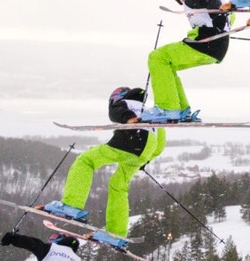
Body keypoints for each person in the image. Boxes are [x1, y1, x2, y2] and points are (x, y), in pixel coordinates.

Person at [42, 86, 166, 249]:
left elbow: (115, 112)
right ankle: (116, 233)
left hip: (131, 140)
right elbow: (160, 144)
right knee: (118, 185)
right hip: (147, 149)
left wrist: (128, 118)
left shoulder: (124, 103)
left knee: (85, 160)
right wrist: (144, 159)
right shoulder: (150, 113)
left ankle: (71, 205)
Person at [142, 0, 230, 122]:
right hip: (216, 47)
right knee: (168, 64)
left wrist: (219, 17)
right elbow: (228, 16)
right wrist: (221, 25)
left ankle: (168, 108)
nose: (181, 2)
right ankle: (180, 110)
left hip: (204, 44)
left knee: (157, 57)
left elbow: (211, 2)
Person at [0, 230, 83, 261]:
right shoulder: (78, 260)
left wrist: (13, 238)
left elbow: (32, 243)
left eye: (53, 237)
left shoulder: (50, 248)